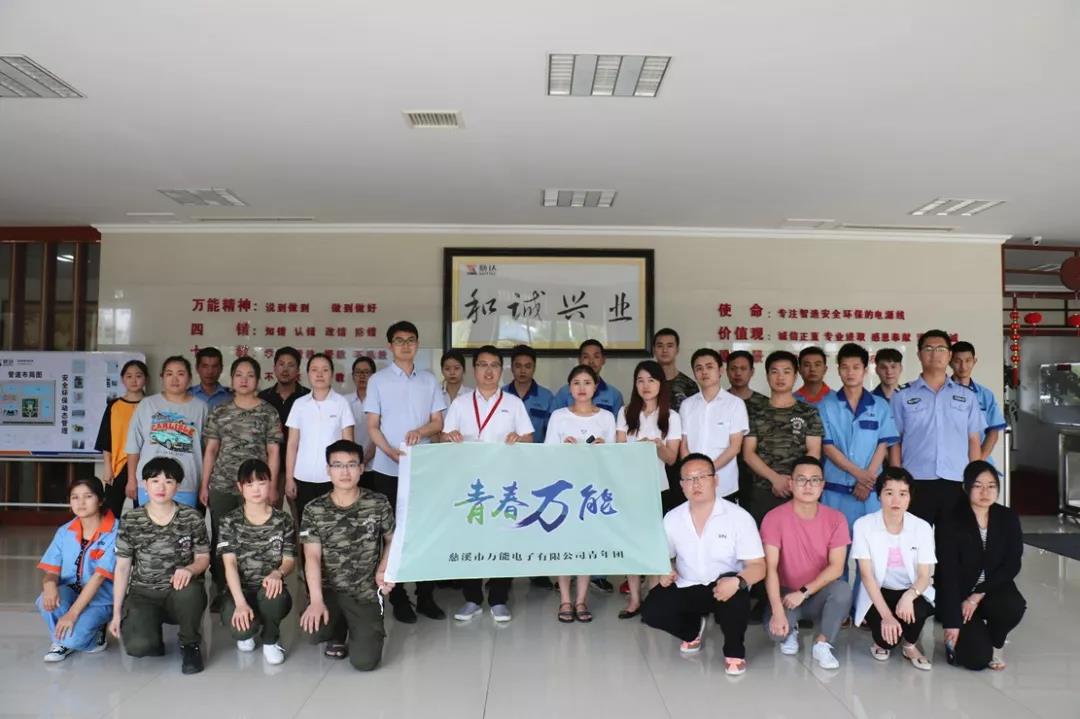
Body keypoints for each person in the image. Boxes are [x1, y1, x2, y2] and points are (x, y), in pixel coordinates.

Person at [640, 454, 765, 676]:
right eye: (688, 479)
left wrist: (738, 581)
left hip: (725, 587)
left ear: (715, 480)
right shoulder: (672, 518)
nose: (695, 484)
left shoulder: (739, 517)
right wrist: (666, 571)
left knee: (735, 594)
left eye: (701, 477)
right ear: (681, 485)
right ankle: (692, 630)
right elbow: (664, 558)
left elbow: (758, 566)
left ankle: (734, 651)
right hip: (688, 584)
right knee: (652, 611)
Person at [442, 345, 534, 623]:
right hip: (470, 485)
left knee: (502, 538)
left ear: (501, 369)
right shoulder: (460, 404)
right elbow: (444, 438)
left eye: (494, 365)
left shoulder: (513, 403)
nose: (489, 371)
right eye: (483, 365)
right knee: (470, 538)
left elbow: (529, 438)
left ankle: (498, 598)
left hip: (504, 484)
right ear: (474, 369)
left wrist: (519, 439)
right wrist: (451, 437)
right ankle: (472, 598)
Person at [365, 321, 446, 623]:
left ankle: (425, 596)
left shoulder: (428, 380)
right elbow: (372, 426)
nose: (405, 345)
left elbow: (437, 422)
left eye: (411, 340)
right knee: (392, 533)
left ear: (417, 344)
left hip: (423, 469)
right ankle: (398, 598)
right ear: (390, 346)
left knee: (424, 530)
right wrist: (389, 452)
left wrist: (419, 431)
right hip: (388, 468)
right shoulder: (378, 381)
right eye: (399, 340)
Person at [299, 440, 395, 671]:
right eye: (338, 465)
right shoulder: (314, 509)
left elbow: (392, 540)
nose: (345, 472)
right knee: (313, 632)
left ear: (361, 468)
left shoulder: (378, 503)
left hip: (365, 592)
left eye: (351, 465)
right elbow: (311, 557)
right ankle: (337, 631)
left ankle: (356, 626)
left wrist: (384, 568)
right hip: (329, 591)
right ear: (328, 470)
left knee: (365, 662)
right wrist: (316, 600)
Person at [109, 457, 210, 674]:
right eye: (155, 481)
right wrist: (116, 612)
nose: (161, 487)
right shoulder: (131, 520)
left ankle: (190, 644)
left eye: (169, 481)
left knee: (191, 591)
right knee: (139, 647)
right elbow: (123, 568)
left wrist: (189, 569)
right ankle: (150, 629)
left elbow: (203, 557)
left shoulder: (191, 517)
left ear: (178, 486)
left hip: (180, 591)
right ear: (145, 485)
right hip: (143, 593)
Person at [200, 356, 283, 605]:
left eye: (250, 375)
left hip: (256, 487)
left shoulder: (268, 412)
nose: (244, 380)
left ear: (258, 380)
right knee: (222, 538)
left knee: (254, 537)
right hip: (223, 484)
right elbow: (211, 450)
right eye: (239, 375)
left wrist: (271, 487)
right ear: (232, 379)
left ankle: (254, 591)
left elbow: (273, 452)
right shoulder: (220, 410)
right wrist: (205, 484)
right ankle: (222, 590)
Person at [760, 457, 851, 670]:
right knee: (777, 634)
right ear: (791, 484)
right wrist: (777, 611)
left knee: (842, 590)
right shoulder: (774, 518)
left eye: (814, 480)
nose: (808, 486)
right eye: (801, 480)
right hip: (786, 594)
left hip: (817, 592)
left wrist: (803, 592)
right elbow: (769, 569)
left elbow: (836, 567)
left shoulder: (836, 519)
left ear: (822, 485)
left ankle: (823, 643)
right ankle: (790, 629)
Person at [889, 330, 986, 524]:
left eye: (941, 349)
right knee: (914, 539)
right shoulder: (902, 395)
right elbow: (894, 442)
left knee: (952, 540)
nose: (934, 354)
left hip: (956, 481)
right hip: (915, 481)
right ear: (919, 355)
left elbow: (973, 441)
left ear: (949, 355)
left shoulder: (967, 396)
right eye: (928, 349)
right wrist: (896, 481)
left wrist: (975, 481)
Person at [936, 461, 1025, 671]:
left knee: (1012, 606)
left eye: (991, 486)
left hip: (992, 589)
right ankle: (966, 636)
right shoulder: (950, 520)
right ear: (966, 487)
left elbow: (1012, 563)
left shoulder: (1007, 517)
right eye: (978, 486)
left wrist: (977, 596)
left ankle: (996, 643)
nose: (985, 492)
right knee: (975, 660)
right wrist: (952, 622)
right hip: (960, 593)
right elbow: (948, 573)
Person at [546, 364, 617, 622]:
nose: (582, 388)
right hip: (564, 490)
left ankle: (581, 600)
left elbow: (616, 458)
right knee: (564, 544)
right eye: (576, 383)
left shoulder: (606, 418)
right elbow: (547, 455)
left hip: (593, 491)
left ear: (596, 387)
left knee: (587, 543)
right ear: (569, 387)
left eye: (587, 382)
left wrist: (604, 448)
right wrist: (562, 450)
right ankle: (565, 599)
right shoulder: (559, 416)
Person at [851, 467, 936, 671]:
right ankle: (881, 641)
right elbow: (866, 576)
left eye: (903, 494)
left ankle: (910, 646)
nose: (896, 500)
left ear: (910, 498)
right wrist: (887, 617)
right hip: (878, 592)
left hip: (910, 589)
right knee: (887, 641)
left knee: (917, 610)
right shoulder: (863, 525)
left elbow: (924, 575)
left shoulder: (922, 527)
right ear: (879, 496)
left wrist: (909, 596)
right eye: (889, 493)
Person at [616, 359, 682, 617]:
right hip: (630, 488)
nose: (645, 385)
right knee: (632, 543)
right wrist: (636, 449)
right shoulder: (625, 413)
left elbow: (672, 458)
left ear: (660, 384)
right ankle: (634, 599)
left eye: (651, 380)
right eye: (640, 380)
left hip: (659, 488)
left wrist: (657, 446)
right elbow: (618, 453)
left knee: (657, 545)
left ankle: (655, 596)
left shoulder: (671, 417)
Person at [218, 459, 296, 665]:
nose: (256, 489)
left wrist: (278, 573)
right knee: (242, 632)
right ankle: (249, 627)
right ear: (240, 487)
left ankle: (271, 639)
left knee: (274, 594)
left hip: (270, 589)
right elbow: (229, 565)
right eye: (249, 484)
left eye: (261, 483)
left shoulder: (283, 520)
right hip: (240, 591)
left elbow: (289, 560)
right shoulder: (229, 521)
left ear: (270, 484)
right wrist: (240, 604)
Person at [819, 343, 899, 538]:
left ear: (865, 370)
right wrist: (860, 475)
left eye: (856, 367)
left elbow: (883, 445)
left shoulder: (880, 405)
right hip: (835, 490)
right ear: (838, 370)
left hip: (870, 492)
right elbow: (828, 447)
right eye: (845, 367)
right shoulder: (826, 405)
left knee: (871, 547)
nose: (850, 373)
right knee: (836, 547)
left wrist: (866, 481)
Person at [36, 477, 117, 662]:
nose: (81, 502)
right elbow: (52, 570)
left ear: (100, 500)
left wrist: (72, 615)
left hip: (100, 599)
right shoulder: (65, 531)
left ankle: (92, 635)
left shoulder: (116, 531)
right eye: (75, 497)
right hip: (71, 592)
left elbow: (99, 577)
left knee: (76, 640)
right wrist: (49, 585)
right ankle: (62, 641)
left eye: (88, 496)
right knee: (44, 600)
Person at [742, 351, 824, 525]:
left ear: (795, 376)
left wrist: (793, 481)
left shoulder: (808, 412)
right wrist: (775, 479)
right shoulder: (754, 411)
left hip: (800, 491)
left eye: (786, 372)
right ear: (767, 376)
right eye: (775, 372)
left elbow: (814, 451)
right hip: (763, 490)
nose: (780, 377)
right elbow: (748, 453)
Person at [124, 356, 208, 508]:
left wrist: (205, 484)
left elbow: (207, 449)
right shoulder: (147, 404)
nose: (174, 379)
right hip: (150, 483)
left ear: (190, 378)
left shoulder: (201, 407)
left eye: (180, 374)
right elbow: (133, 445)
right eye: (169, 374)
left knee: (184, 523)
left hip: (187, 484)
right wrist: (131, 479)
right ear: (162, 377)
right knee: (149, 523)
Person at [285, 353, 355, 521]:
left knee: (332, 525)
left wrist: (348, 478)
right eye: (314, 370)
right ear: (307, 374)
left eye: (325, 370)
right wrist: (289, 478)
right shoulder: (299, 404)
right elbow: (292, 444)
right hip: (302, 477)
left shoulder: (341, 403)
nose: (319, 374)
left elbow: (349, 445)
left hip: (333, 478)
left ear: (332, 374)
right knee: (306, 525)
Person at [678, 349, 748, 505]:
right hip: (693, 485)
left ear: (720, 370)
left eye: (709, 367)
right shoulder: (687, 405)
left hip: (724, 484)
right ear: (694, 373)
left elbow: (735, 447)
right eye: (699, 368)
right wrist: (694, 474)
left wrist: (706, 471)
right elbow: (684, 446)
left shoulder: (735, 404)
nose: (704, 372)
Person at [94, 359, 147, 516]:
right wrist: (107, 467)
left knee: (144, 512)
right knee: (110, 512)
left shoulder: (151, 405)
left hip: (144, 464)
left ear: (146, 379)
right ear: (123, 379)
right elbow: (106, 438)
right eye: (129, 376)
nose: (134, 380)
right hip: (118, 466)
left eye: (138, 376)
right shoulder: (114, 406)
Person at [258, 346, 310, 505]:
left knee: (300, 513)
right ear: (274, 368)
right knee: (271, 512)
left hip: (299, 468)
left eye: (291, 365)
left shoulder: (308, 397)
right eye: (281, 364)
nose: (285, 369)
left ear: (298, 370)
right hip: (269, 467)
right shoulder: (263, 398)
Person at [950, 341, 1008, 462]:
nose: (963, 366)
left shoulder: (985, 395)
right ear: (950, 362)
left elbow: (993, 431)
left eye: (968, 360)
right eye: (957, 361)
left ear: (974, 361)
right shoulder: (941, 393)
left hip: (979, 461)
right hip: (949, 462)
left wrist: (978, 461)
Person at [726, 350, 769, 509]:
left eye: (743, 369)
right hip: (725, 470)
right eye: (733, 368)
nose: (738, 373)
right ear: (726, 371)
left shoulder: (764, 404)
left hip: (755, 474)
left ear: (752, 371)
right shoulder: (719, 401)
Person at [552, 339, 625, 417]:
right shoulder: (564, 393)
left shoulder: (614, 395)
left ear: (603, 360)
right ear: (579, 360)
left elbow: (619, 423)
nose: (591, 361)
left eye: (596, 357)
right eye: (586, 357)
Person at [504, 344, 556, 444]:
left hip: (537, 452)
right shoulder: (501, 395)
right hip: (505, 450)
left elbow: (552, 432)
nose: (522, 371)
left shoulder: (547, 397)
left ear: (534, 368)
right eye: (518, 366)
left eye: (527, 366)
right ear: (512, 368)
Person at [651, 328, 698, 411]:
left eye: (670, 346)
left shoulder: (690, 385)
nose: (664, 350)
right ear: (654, 350)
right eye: (660, 346)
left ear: (677, 350)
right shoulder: (646, 382)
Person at [349, 356, 378, 473]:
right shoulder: (344, 402)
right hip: (349, 465)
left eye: (366, 372)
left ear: (374, 376)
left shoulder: (380, 402)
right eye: (358, 372)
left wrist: (364, 460)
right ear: (352, 376)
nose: (362, 376)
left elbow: (381, 434)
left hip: (374, 465)